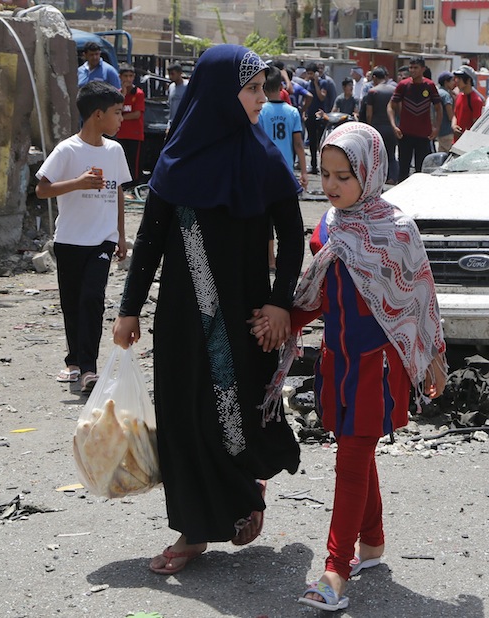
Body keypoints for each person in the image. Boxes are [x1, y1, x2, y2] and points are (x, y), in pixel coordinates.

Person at [112, 45, 304, 576]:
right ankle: (193, 530)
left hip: (245, 320)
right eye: (251, 90)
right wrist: (129, 309)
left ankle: (243, 493)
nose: (261, 100)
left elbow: (293, 238)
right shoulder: (176, 159)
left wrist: (280, 303)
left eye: (262, 89)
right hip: (181, 318)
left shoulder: (265, 159)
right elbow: (150, 241)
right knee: (183, 419)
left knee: (234, 415)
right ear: (220, 94)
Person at [252, 122, 447, 612]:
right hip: (335, 365)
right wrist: (282, 320)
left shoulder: (396, 231)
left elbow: (417, 298)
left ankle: (336, 570)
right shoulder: (328, 227)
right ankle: (373, 543)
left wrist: (432, 357)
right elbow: (320, 296)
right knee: (355, 451)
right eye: (326, 174)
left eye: (344, 176)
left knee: (352, 460)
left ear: (371, 172)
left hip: (375, 370)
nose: (332, 185)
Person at [35, 81, 130, 393]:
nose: (122, 119)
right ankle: (73, 360)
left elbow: (118, 192)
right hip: (70, 240)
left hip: (102, 240)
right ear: (98, 114)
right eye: (117, 113)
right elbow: (42, 189)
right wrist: (77, 183)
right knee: (72, 303)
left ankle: (89, 368)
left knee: (92, 299)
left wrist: (121, 235)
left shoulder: (115, 151)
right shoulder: (67, 150)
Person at [387, 56, 442, 182]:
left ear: (423, 69)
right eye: (411, 67)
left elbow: (439, 108)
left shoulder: (430, 86)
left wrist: (437, 128)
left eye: (415, 67)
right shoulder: (403, 85)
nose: (412, 70)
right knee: (403, 171)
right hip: (405, 134)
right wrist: (394, 126)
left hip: (423, 135)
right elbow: (390, 106)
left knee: (421, 171)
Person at [259, 66, 308, 189]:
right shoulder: (293, 112)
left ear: (263, 88)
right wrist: (304, 172)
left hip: (266, 166)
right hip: (286, 165)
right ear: (281, 87)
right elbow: (298, 144)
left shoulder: (260, 112)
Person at [365, 67, 398, 183]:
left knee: (376, 155)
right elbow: (398, 108)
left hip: (377, 127)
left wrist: (369, 126)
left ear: (374, 77)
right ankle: (392, 177)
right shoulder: (394, 90)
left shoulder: (372, 92)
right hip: (391, 127)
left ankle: (378, 179)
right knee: (391, 154)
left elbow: (369, 113)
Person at [115, 63, 145, 189]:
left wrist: (121, 117)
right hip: (121, 133)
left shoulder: (138, 93)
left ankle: (134, 185)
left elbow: (137, 114)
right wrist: (123, 94)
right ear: (120, 77)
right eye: (125, 76)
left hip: (134, 133)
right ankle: (124, 185)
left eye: (130, 76)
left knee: (134, 162)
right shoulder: (117, 94)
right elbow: (116, 109)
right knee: (123, 160)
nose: (128, 79)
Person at [304, 62, 329, 174]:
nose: (310, 76)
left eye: (311, 73)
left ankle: (324, 165)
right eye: (308, 73)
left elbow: (322, 97)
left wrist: (316, 83)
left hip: (320, 116)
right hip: (310, 116)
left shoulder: (323, 83)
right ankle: (313, 165)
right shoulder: (307, 84)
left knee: (320, 142)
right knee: (312, 142)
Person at [452, 65, 484, 139]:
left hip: (467, 142)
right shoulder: (459, 96)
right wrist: (454, 126)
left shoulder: (476, 100)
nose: (457, 81)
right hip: (456, 141)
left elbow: (476, 126)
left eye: (459, 79)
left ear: (468, 80)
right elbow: (455, 115)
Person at [435, 71, 456, 152]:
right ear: (446, 82)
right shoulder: (446, 95)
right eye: (452, 80)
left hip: (439, 130)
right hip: (447, 131)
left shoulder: (437, 92)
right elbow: (450, 116)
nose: (454, 83)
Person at [166, 63, 188, 133]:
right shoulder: (171, 87)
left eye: (172, 74)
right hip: (173, 124)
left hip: (185, 123)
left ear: (179, 73)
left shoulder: (188, 86)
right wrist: (168, 126)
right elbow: (171, 108)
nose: (170, 76)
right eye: (169, 74)